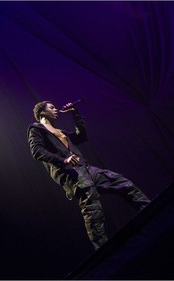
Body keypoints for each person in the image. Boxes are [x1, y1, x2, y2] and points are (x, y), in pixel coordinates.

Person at [27, 100, 151, 250]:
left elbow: (82, 136)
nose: (56, 110)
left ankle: (152, 212)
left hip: (86, 169)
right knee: (93, 210)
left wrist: (75, 113)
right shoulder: (36, 129)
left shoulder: (62, 132)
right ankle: (103, 251)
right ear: (42, 112)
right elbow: (37, 151)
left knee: (122, 182)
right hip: (71, 174)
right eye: (52, 108)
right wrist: (63, 160)